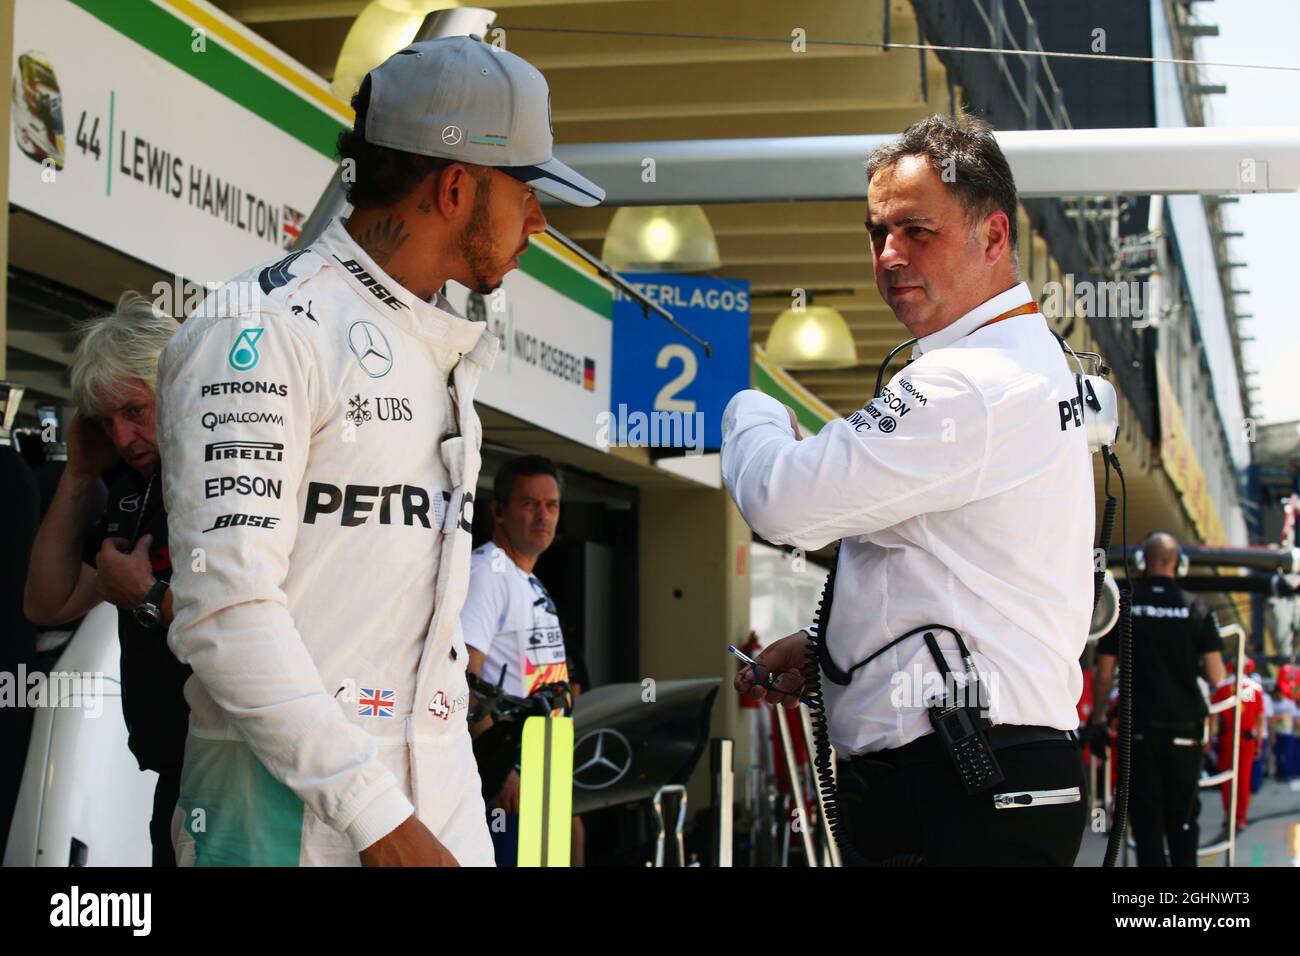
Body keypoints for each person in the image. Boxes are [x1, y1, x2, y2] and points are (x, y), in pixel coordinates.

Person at [155, 36, 602, 867]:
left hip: (434, 802)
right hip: (276, 823)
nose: (539, 220)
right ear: (457, 185)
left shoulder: (437, 346)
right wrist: (380, 822)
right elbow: (225, 612)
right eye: (528, 191)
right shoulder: (256, 329)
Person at [721, 113, 1094, 865]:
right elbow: (954, 566)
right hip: (986, 776)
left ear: (993, 238)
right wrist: (837, 644)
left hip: (960, 785)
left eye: (916, 230)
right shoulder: (1020, 359)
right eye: (876, 232)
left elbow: (777, 501)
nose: (889, 255)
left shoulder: (970, 380)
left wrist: (750, 405)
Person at [22, 293, 190, 866]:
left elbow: (249, 626)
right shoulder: (129, 483)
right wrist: (77, 475)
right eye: (105, 420)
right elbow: (47, 604)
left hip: (236, 772)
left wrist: (145, 599)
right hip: (174, 776)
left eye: (134, 412)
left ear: (179, 387)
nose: (121, 438)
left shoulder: (221, 477)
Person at [1088, 531, 1225, 866]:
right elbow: (1216, 675)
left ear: (1141, 563)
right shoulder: (1198, 607)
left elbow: (1104, 673)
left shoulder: (1124, 605)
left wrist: (1097, 719)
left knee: (1146, 824)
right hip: (1185, 730)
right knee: (1183, 820)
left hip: (1139, 731)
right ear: (1179, 564)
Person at [460, 454, 571, 865]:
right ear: (499, 511)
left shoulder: (528, 578)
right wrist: (499, 765)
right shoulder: (486, 573)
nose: (543, 515)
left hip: (544, 768)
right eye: (530, 504)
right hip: (508, 778)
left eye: (552, 505)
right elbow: (461, 674)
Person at [1211, 658, 1265, 835]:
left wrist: (1209, 740)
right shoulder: (1254, 689)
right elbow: (1259, 718)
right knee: (1242, 780)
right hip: (1245, 739)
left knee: (1227, 779)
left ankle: (1230, 814)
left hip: (1228, 739)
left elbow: (1213, 718)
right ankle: (1240, 817)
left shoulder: (1222, 688)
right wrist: (1258, 743)